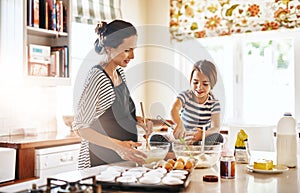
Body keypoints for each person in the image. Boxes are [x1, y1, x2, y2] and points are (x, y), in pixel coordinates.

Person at [72, 20, 152, 169]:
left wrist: (139, 121)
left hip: (121, 163)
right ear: (109, 49)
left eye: (134, 49)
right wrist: (119, 147)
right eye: (127, 50)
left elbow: (119, 115)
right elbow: (80, 127)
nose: (133, 56)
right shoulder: (98, 77)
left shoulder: (119, 72)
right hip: (98, 164)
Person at [171, 59, 223, 145]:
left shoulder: (214, 103)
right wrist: (179, 124)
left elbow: (216, 127)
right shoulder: (185, 96)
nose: (199, 87)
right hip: (183, 138)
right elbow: (174, 109)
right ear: (191, 81)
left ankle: (198, 148)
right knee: (156, 138)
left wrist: (202, 134)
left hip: (201, 140)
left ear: (212, 84)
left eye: (205, 84)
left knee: (218, 137)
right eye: (195, 82)